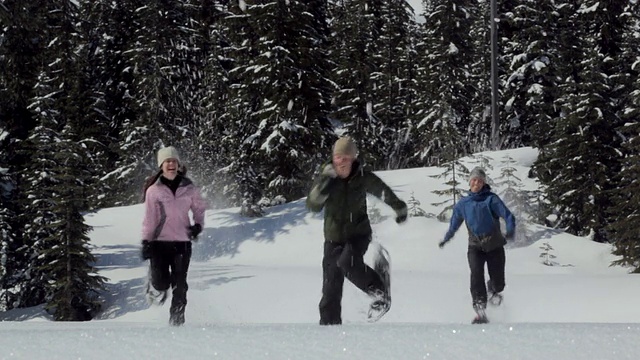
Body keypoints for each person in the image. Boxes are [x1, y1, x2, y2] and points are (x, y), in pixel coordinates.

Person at [306, 136, 408, 325]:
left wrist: (399, 207)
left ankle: (379, 291)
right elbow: (312, 205)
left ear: (353, 159)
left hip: (358, 235)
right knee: (330, 287)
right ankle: (328, 328)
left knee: (347, 262)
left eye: (345, 158)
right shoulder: (327, 177)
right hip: (332, 239)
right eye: (337, 157)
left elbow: (382, 190)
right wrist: (324, 184)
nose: (341, 162)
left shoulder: (362, 177)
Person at [438, 166, 515, 323]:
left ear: (483, 182)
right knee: (476, 275)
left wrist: (510, 230)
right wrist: (446, 238)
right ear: (469, 182)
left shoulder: (491, 200)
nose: (476, 183)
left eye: (480, 180)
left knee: (499, 284)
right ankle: (480, 308)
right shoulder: (463, 204)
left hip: (494, 245)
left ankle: (493, 289)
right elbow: (454, 224)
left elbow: (508, 216)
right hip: (475, 246)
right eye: (474, 180)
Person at [141, 146, 206, 326]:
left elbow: (199, 208)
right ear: (161, 165)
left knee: (180, 285)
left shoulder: (189, 187)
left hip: (182, 243)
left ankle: (176, 323)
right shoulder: (153, 190)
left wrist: (198, 225)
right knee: (162, 283)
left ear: (178, 164)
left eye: (174, 161)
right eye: (167, 161)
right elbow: (149, 218)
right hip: (159, 244)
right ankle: (154, 282)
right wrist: (147, 241)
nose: (171, 164)